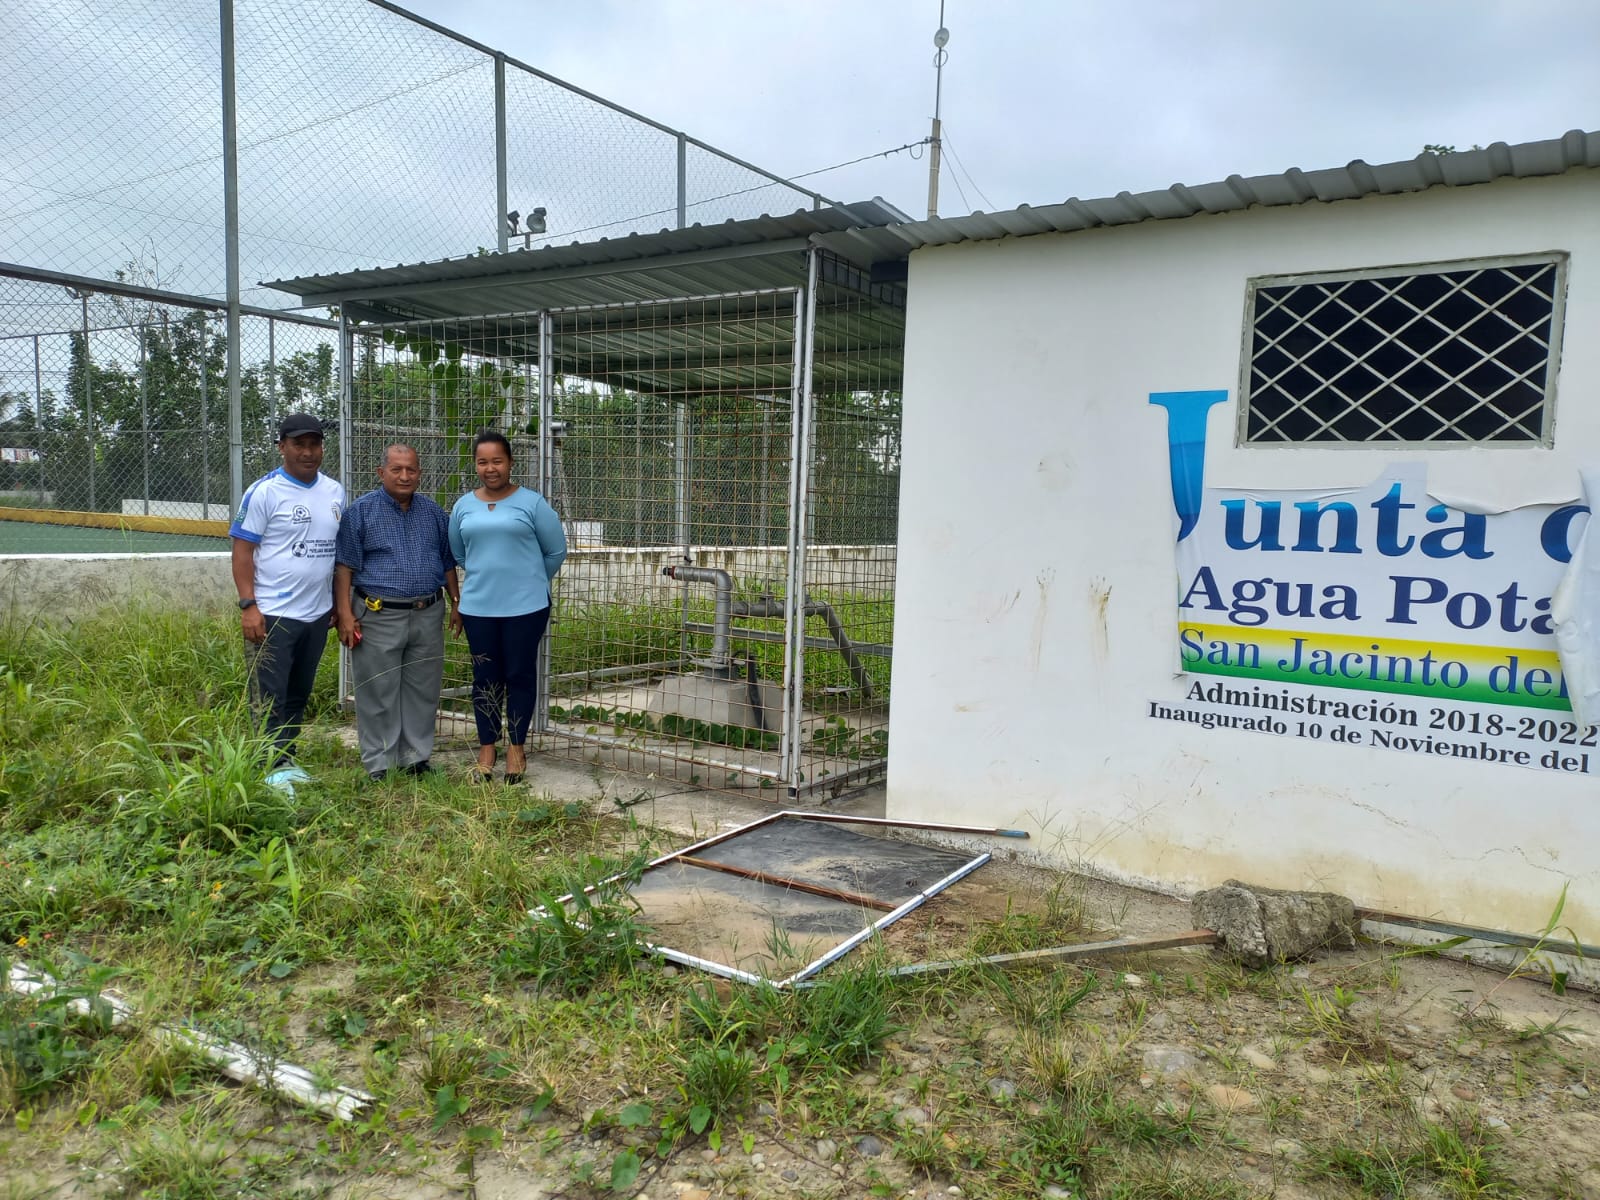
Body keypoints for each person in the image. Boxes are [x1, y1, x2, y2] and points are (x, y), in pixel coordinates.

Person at [447, 429, 567, 784]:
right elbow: (459, 553)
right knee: (484, 678)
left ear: (510, 462)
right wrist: (490, 574)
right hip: (478, 608)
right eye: (483, 462)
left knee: (518, 675)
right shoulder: (463, 506)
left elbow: (556, 551)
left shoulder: (532, 503)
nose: (490, 468)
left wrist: (529, 578)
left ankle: (516, 747)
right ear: (475, 465)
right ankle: (487, 747)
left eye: (497, 461)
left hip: (526, 608)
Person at [334, 444, 459, 781]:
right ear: (381, 473)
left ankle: (415, 758)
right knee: (378, 690)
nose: (404, 476)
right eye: (396, 469)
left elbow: (447, 562)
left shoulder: (433, 513)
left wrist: (456, 603)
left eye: (411, 470)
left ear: (420, 473)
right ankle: (380, 763)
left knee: (422, 689)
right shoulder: (360, 513)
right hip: (378, 615)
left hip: (427, 613)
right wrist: (345, 613)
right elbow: (344, 567)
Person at [230, 412, 344, 774]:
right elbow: (242, 551)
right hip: (273, 615)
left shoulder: (334, 491)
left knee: (298, 693)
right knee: (268, 697)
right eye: (298, 445)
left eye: (314, 444)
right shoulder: (264, 491)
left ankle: (286, 759)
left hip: (317, 615)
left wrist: (336, 603)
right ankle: (268, 766)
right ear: (282, 447)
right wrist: (249, 605)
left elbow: (336, 554)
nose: (307, 452)